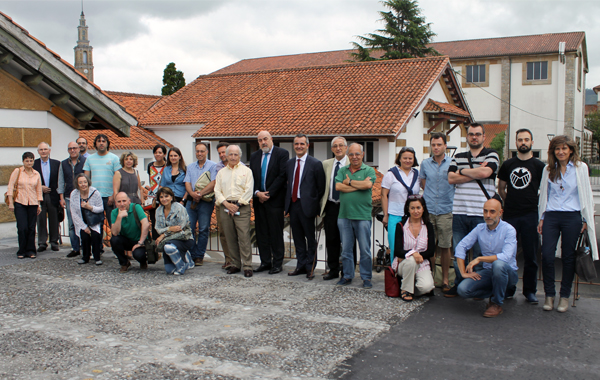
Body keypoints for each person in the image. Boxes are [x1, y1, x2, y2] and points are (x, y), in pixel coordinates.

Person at [537, 135, 598, 313]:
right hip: (552, 215)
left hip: (572, 216)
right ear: (553, 152)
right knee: (547, 255)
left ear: (571, 150)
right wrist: (541, 218)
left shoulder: (580, 168)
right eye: (557, 149)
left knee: (568, 257)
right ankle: (549, 295)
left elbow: (587, 193)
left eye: (564, 148)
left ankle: (564, 296)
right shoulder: (548, 169)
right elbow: (544, 195)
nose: (561, 152)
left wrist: (586, 218)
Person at [445, 123, 499, 297]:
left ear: (484, 136)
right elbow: (451, 178)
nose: (474, 137)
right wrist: (475, 171)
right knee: (459, 250)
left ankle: (478, 287)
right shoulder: (458, 156)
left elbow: (486, 173)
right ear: (467, 137)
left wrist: (462, 171)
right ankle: (459, 283)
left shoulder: (492, 154)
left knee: (480, 253)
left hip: (482, 213)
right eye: (471, 134)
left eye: (477, 134)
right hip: (460, 211)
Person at [498, 129, 545, 304]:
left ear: (532, 142)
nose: (523, 142)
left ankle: (530, 291)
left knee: (531, 255)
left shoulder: (540, 166)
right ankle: (509, 288)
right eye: (520, 140)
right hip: (511, 215)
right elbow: (501, 189)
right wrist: (509, 201)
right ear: (515, 143)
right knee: (508, 255)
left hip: (531, 214)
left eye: (526, 139)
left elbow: (545, 191)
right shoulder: (508, 165)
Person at [455, 198, 518, 318]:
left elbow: (505, 257)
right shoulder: (480, 228)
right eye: (485, 211)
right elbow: (461, 246)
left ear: (500, 213)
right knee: (463, 289)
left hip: (507, 273)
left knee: (498, 265)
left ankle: (496, 303)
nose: (488, 215)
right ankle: (499, 292)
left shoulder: (509, 230)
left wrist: (480, 259)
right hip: (488, 272)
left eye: (492, 211)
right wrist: (463, 272)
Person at [335, 143, 376, 288]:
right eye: (351, 154)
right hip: (344, 215)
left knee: (365, 249)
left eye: (357, 154)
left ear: (362, 154)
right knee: (346, 249)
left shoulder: (369, 170)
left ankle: (366, 278)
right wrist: (357, 186)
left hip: (362, 215)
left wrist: (350, 182)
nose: (354, 157)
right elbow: (338, 187)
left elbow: (367, 186)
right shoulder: (343, 170)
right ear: (348, 155)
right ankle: (347, 276)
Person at [285, 134, 325, 279]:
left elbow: (320, 187)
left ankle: (310, 267)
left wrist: (313, 203)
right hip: (293, 205)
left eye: (302, 144)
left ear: (308, 145)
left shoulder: (315, 163)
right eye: (296, 144)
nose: (299, 146)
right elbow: (288, 184)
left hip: (307, 206)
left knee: (310, 237)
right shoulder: (289, 164)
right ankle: (300, 265)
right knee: (297, 238)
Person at [250, 131, 289, 274]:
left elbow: (282, 175)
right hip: (258, 200)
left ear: (271, 139)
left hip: (275, 201)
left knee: (276, 233)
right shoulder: (254, 156)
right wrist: (257, 193)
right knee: (261, 234)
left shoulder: (282, 153)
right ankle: (265, 262)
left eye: (265, 139)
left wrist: (268, 193)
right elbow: (251, 178)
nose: (263, 142)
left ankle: (277, 264)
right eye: (260, 140)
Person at [419, 133, 455, 293]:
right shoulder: (425, 164)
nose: (436, 147)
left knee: (446, 246)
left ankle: (446, 279)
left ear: (445, 146)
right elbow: (424, 184)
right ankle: (432, 278)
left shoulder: (453, 163)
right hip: (429, 210)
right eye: (433, 145)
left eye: (439, 144)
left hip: (446, 210)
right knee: (429, 247)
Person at [215, 145, 254, 277]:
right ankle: (235, 264)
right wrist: (226, 203)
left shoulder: (246, 171)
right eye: (230, 154)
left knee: (244, 237)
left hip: (241, 207)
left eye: (235, 154)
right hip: (225, 206)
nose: (232, 157)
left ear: (240, 156)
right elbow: (217, 190)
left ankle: (247, 266)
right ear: (226, 156)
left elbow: (249, 190)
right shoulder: (221, 173)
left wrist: (237, 205)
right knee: (229, 236)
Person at [392, 195, 435, 301]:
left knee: (427, 287)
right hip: (405, 264)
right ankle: (406, 290)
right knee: (411, 261)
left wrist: (419, 256)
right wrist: (413, 253)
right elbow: (398, 251)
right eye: (412, 208)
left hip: (422, 263)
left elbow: (431, 251)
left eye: (418, 208)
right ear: (408, 209)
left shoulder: (428, 226)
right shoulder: (401, 226)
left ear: (423, 208)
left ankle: (411, 285)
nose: (416, 211)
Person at [381, 146, 420, 261]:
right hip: (395, 215)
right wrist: (385, 215)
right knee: (395, 246)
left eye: (410, 158)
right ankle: (395, 274)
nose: (407, 161)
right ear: (400, 159)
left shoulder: (417, 175)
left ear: (414, 160)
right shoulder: (391, 174)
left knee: (412, 246)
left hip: (413, 216)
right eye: (405, 158)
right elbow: (384, 195)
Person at [184, 142, 218, 266]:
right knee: (190, 228)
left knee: (204, 229)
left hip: (206, 202)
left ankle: (199, 256)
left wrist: (200, 194)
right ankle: (192, 254)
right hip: (191, 201)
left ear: (207, 152)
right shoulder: (190, 166)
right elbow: (187, 182)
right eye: (198, 151)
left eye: (202, 151)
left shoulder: (213, 166)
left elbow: (214, 182)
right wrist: (192, 194)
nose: (200, 153)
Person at [319, 136, 348, 280]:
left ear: (346, 148)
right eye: (335, 146)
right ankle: (333, 270)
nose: (338, 148)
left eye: (341, 145)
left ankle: (348, 271)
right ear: (332, 149)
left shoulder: (351, 163)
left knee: (348, 240)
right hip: (330, 206)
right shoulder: (326, 164)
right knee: (331, 239)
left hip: (347, 207)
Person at [7, 152, 42, 259]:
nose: (29, 162)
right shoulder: (17, 171)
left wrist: (39, 204)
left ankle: (31, 250)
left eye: (31, 160)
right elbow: (10, 187)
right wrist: (11, 203)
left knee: (31, 228)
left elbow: (38, 190)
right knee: (22, 228)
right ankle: (21, 250)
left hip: (33, 203)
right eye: (27, 160)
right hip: (20, 202)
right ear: (23, 161)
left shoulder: (36, 174)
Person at [155, 187, 195, 275]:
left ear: (172, 197)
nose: (164, 199)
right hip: (168, 239)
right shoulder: (158, 211)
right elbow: (158, 229)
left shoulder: (179, 208)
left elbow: (180, 227)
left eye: (166, 196)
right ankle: (186, 258)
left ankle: (181, 267)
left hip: (184, 237)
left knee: (168, 247)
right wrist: (169, 229)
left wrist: (164, 234)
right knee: (170, 271)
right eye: (161, 197)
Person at [83, 134, 121, 226]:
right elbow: (86, 179)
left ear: (107, 144)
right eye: (99, 141)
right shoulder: (89, 159)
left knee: (113, 224)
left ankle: (113, 241)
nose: (101, 143)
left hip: (109, 198)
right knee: (96, 225)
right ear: (95, 144)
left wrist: (113, 195)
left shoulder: (114, 158)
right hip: (94, 197)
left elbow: (118, 177)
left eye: (103, 141)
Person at [58, 141, 87, 258]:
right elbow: (60, 181)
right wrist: (61, 197)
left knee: (84, 222)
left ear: (79, 149)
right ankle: (75, 248)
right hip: (69, 197)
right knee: (72, 224)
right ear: (68, 150)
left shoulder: (85, 162)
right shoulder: (63, 163)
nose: (73, 150)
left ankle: (86, 247)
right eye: (70, 148)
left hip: (83, 196)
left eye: (74, 148)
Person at [110, 192, 150, 273]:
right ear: (116, 203)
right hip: (126, 239)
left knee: (138, 254)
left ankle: (143, 261)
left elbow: (146, 224)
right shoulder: (114, 212)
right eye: (119, 201)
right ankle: (124, 263)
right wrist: (119, 217)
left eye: (124, 201)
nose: (122, 204)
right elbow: (114, 232)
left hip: (139, 239)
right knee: (114, 240)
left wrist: (140, 243)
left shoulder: (136, 207)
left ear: (129, 201)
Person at [70, 173, 104, 265]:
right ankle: (85, 257)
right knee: (84, 236)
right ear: (77, 184)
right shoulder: (74, 194)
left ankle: (97, 257)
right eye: (80, 182)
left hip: (94, 221)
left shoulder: (95, 192)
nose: (83, 184)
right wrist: (84, 227)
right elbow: (74, 213)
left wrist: (89, 207)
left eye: (85, 182)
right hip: (82, 221)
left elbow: (101, 208)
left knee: (95, 236)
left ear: (88, 182)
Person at [33, 142, 61, 252]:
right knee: (40, 219)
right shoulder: (34, 164)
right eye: (41, 149)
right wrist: (40, 187)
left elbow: (60, 180)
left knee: (54, 219)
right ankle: (42, 243)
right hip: (39, 195)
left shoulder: (57, 163)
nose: (43, 151)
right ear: (38, 152)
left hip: (53, 195)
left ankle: (54, 242)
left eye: (45, 149)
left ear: (49, 151)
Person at [215, 142, 233, 269]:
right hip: (221, 203)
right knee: (223, 233)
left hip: (235, 204)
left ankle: (237, 259)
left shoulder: (241, 167)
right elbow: (217, 187)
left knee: (236, 233)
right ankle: (228, 259)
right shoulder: (218, 167)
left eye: (224, 152)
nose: (222, 155)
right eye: (220, 153)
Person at [146, 144, 168, 239]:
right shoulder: (150, 165)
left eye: (160, 152)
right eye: (155, 153)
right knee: (154, 222)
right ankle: (156, 246)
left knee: (166, 221)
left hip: (165, 197)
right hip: (153, 198)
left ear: (164, 154)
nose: (157, 154)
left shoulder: (168, 166)